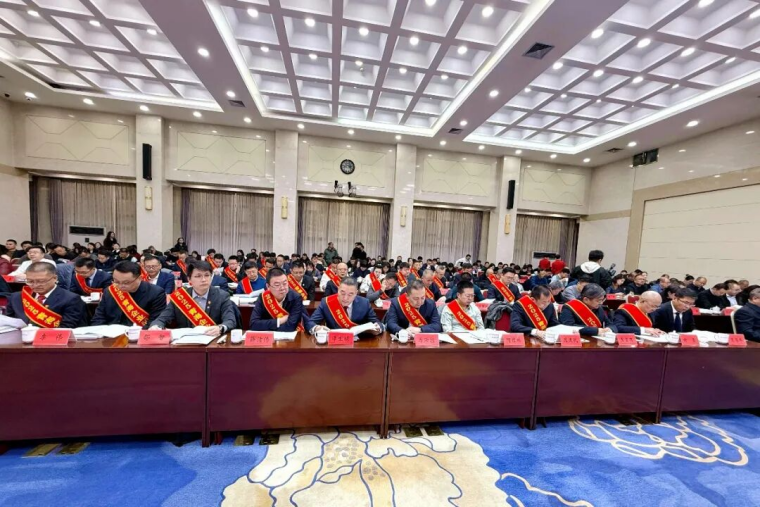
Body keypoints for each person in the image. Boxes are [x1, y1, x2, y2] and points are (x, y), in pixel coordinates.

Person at [149, 261, 236, 336]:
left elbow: (230, 320)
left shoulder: (222, 296)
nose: (203, 279)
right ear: (189, 279)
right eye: (198, 276)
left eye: (207, 275)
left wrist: (220, 328)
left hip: (213, 340)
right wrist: (156, 326)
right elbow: (162, 318)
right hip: (185, 342)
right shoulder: (180, 296)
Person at [5, 262, 88, 328]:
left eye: (41, 281)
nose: (35, 285)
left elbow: (67, 327)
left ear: (55, 278)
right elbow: (8, 324)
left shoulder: (71, 299)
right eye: (30, 281)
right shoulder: (16, 297)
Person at [91, 261, 167, 327]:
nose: (120, 286)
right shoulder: (109, 291)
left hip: (137, 334)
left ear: (139, 278)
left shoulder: (156, 293)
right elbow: (99, 317)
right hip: (109, 334)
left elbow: (155, 322)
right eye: (116, 281)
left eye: (126, 282)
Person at [308, 278, 382, 335]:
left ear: (356, 293)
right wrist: (317, 328)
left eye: (350, 294)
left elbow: (376, 322)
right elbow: (310, 322)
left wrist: (378, 328)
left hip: (358, 343)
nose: (345, 298)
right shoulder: (327, 302)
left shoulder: (364, 303)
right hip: (333, 342)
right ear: (338, 290)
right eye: (342, 293)